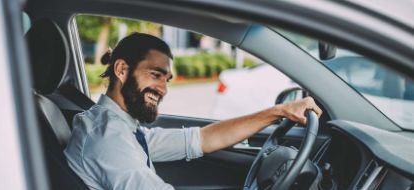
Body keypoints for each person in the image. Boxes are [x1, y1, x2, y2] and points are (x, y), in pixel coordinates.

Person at [64, 32, 322, 190]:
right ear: (121, 70)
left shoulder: (121, 128)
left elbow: (202, 139)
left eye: (167, 79)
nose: (163, 89)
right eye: (155, 75)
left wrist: (279, 111)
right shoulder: (109, 139)